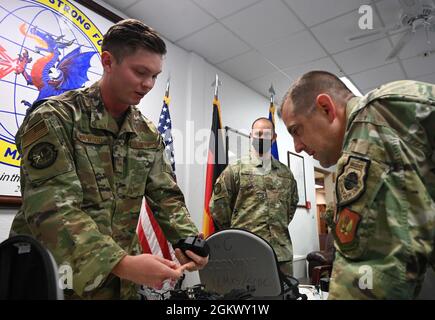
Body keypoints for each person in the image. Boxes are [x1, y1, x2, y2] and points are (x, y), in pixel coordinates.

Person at [10, 19, 208, 299]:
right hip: (57, 276)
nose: (148, 84)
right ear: (108, 61)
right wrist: (121, 263)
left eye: (154, 75)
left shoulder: (147, 132)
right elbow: (53, 209)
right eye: (140, 72)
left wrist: (188, 239)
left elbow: (165, 194)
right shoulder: (56, 118)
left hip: (121, 283)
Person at [278, 70, 435, 299]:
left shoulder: (370, 123)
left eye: (296, 130)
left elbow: (373, 272)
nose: (297, 146)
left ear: (326, 108)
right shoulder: (391, 107)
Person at [209, 118, 299, 276]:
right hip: (245, 254)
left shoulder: (286, 174)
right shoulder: (235, 170)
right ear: (251, 136)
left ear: (274, 137)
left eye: (266, 134)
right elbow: (218, 209)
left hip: (281, 256)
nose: (262, 138)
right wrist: (237, 234)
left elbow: (290, 208)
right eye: (258, 133)